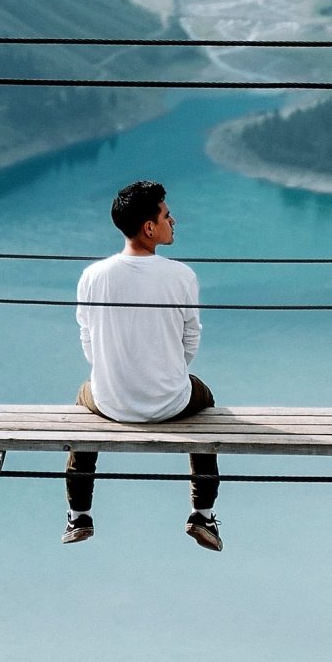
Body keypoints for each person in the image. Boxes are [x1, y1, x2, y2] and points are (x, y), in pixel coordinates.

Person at [64, 178, 221, 551]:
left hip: (110, 403)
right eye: (167, 215)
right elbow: (191, 339)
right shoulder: (182, 275)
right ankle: (203, 514)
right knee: (206, 399)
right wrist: (168, 372)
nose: (173, 220)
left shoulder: (92, 276)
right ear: (149, 228)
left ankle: (78, 516)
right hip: (171, 402)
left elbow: (87, 340)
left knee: (81, 403)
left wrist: (116, 372)